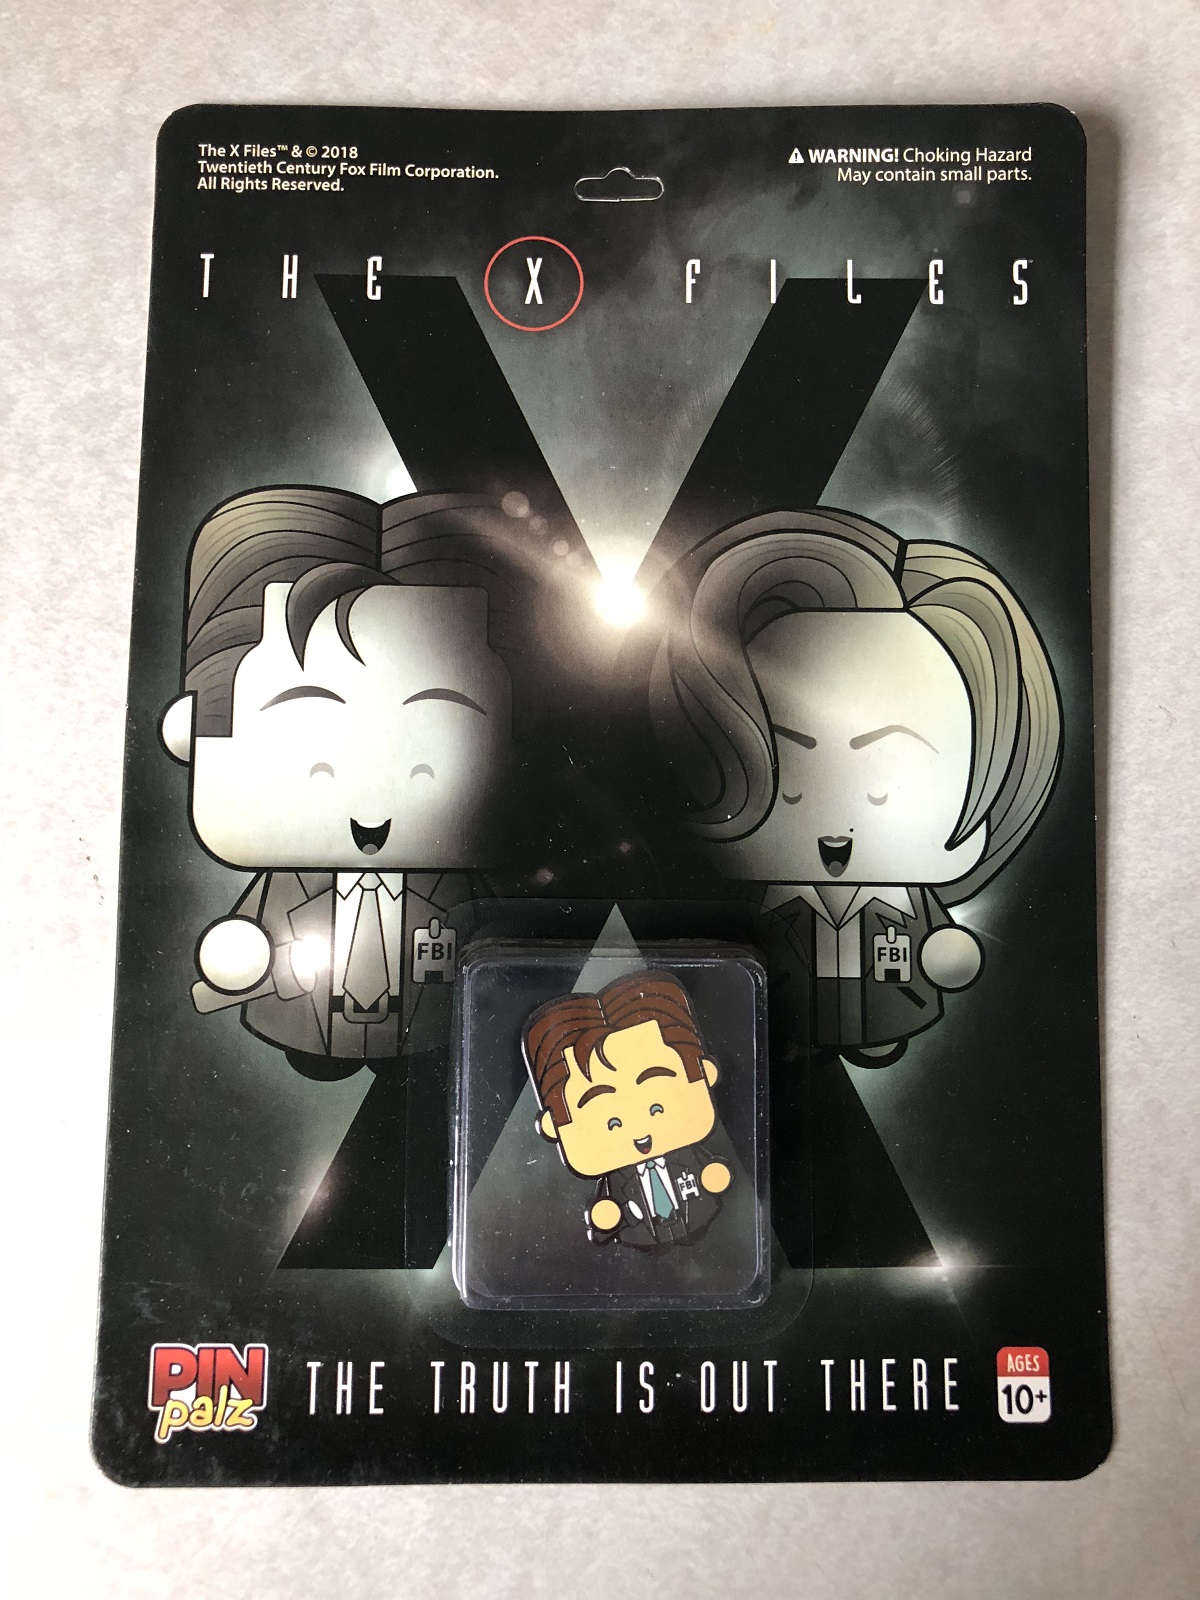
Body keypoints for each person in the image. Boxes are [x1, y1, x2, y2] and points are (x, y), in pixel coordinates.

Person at [161, 483, 545, 1263]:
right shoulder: (284, 884)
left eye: (434, 737)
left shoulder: (466, 880)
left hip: (437, 1024)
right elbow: (246, 947)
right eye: (312, 740)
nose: (372, 799)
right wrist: (240, 963)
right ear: (194, 732)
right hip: (306, 1023)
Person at [647, 506, 1062, 1067]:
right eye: (787, 783)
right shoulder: (755, 906)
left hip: (890, 1007)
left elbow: (946, 954)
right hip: (774, 1011)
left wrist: (947, 953)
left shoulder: (911, 902)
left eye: (885, 783)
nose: (834, 826)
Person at [523, 970, 732, 1249]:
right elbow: (606, 1226)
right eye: (613, 1122)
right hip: (637, 1243)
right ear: (553, 1125)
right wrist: (605, 1220)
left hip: (704, 1226)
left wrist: (714, 1177)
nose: (640, 1131)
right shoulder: (614, 1185)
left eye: (656, 1108)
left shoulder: (690, 1158)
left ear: (704, 1073)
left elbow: (712, 1179)